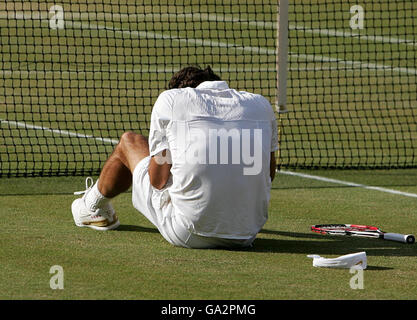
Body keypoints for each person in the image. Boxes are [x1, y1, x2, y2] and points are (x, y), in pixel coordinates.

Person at [71, 66, 278, 249]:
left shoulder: (170, 100)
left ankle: (91, 207)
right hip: (247, 234)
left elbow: (158, 181)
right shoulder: (260, 105)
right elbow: (269, 174)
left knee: (129, 142)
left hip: (187, 232)